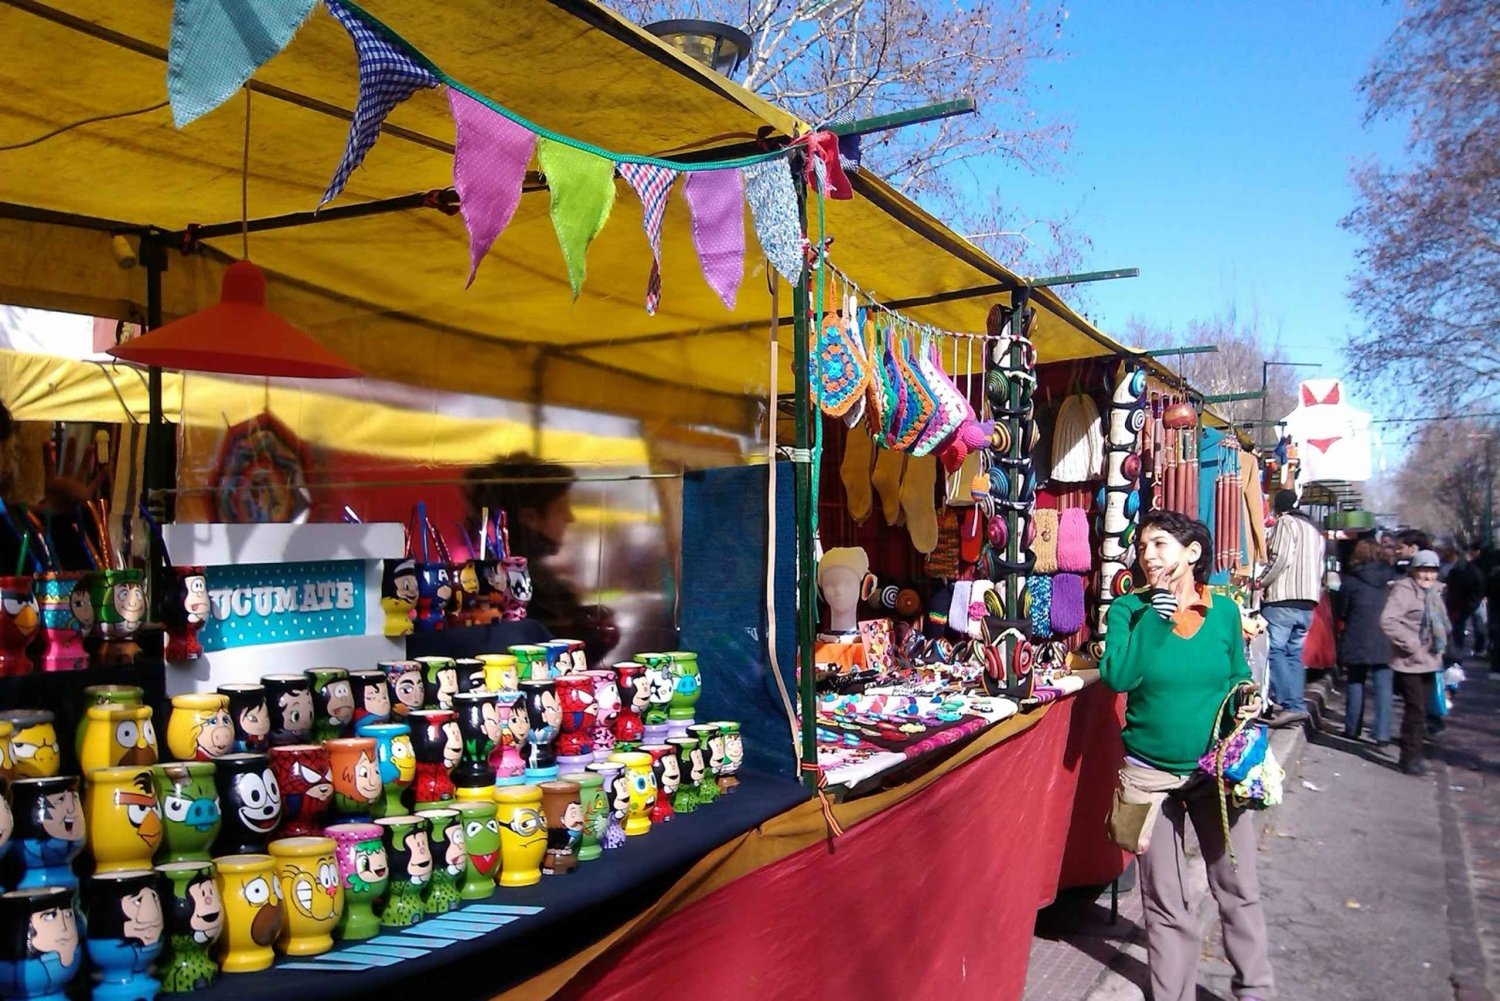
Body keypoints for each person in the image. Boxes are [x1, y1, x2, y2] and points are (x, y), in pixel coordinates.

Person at [1101, 511, 1274, 1001]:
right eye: (1141, 547)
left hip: (1216, 771)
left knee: (1236, 888)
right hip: (1147, 776)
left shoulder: (1222, 612)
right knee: (1165, 903)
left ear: (1192, 553)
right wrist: (1153, 621)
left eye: (1158, 544)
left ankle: (1255, 990)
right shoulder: (1128, 611)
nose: (1147, 555)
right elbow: (1119, 677)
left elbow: (1237, 673)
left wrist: (1248, 696)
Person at [465, 453, 618, 667]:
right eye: (562, 508)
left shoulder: (533, 581)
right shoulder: (513, 587)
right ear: (531, 518)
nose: (570, 517)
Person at [1255, 489, 1326, 727]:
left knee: (1274, 650)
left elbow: (1279, 558)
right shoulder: (1314, 530)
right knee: (1294, 654)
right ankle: (1296, 703)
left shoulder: (1286, 523)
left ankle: (1290, 704)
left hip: (1283, 598)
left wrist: (1261, 581)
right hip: (1308, 602)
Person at [1379, 549, 1449, 776]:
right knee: (1415, 709)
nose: (1427, 576)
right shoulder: (1404, 590)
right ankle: (1409, 757)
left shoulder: (1436, 591)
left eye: (1431, 571)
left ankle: (1416, 753)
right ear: (1414, 571)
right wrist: (1411, 644)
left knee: (1423, 711)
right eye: (1423, 571)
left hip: (1431, 659)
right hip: (1409, 661)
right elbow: (1388, 620)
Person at [1335, 538, 1395, 747]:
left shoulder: (1351, 581)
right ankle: (1383, 733)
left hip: (1357, 634)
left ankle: (1352, 728)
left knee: (1355, 681)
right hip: (1385, 636)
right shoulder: (1389, 579)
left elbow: (1341, 610)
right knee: (1383, 685)